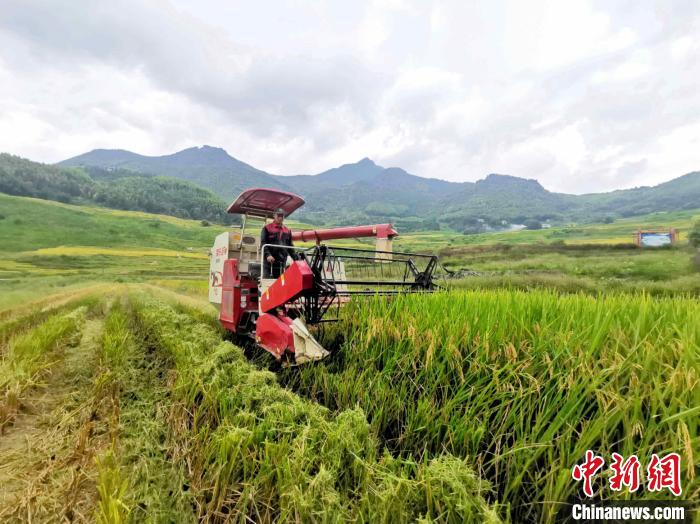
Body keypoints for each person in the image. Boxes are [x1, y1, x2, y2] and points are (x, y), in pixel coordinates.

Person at [261, 208, 294, 278]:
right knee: (268, 283)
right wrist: (268, 255)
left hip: (282, 263)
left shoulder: (287, 230)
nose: (280, 217)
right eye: (278, 215)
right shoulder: (267, 228)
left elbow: (290, 246)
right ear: (274, 215)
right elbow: (263, 243)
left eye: (282, 216)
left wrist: (297, 259)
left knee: (280, 284)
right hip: (269, 262)